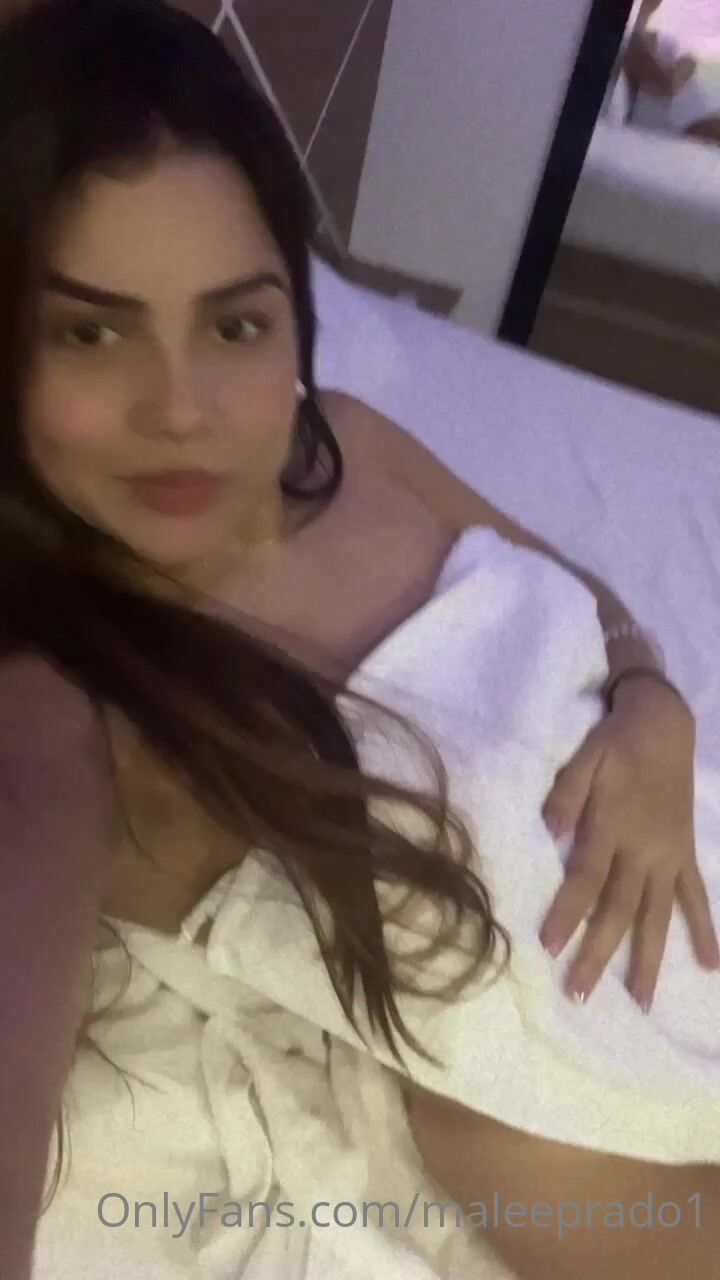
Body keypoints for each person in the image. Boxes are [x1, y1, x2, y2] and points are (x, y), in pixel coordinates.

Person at [0, 2, 717, 1277]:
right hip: (597, 1133)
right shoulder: (67, 702)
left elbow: (585, 595)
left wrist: (654, 710)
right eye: (90, 331)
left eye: (236, 322)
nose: (183, 409)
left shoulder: (349, 442)